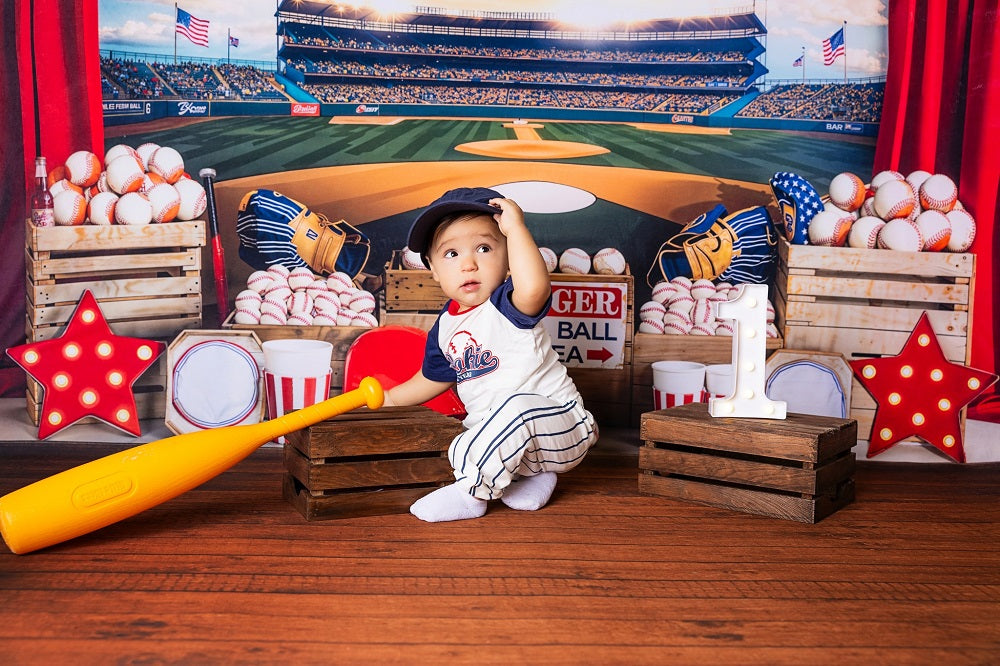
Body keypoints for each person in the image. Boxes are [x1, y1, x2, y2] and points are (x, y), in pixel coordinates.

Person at [384, 187, 599, 522]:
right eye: (451, 254)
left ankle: (470, 496)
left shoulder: (508, 304)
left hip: (563, 425)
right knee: (464, 440)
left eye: (484, 248)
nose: (468, 264)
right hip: (510, 447)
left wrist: (516, 230)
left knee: (516, 409)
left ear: (509, 258)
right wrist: (387, 400)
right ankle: (532, 477)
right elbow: (430, 379)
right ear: (434, 269)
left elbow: (535, 288)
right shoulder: (444, 330)